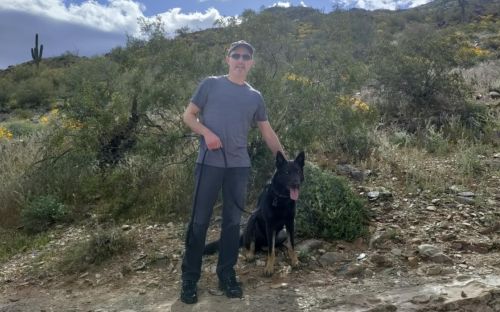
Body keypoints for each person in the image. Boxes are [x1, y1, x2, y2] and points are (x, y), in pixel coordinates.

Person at [180, 40, 285, 304]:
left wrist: (284, 161)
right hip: (208, 164)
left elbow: (266, 130)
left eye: (245, 57)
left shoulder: (254, 96)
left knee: (231, 224)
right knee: (199, 222)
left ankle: (226, 275)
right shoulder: (210, 84)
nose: (240, 60)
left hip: (239, 167)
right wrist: (207, 133)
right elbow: (189, 116)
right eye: (235, 55)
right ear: (227, 59)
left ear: (251, 63)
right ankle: (189, 279)